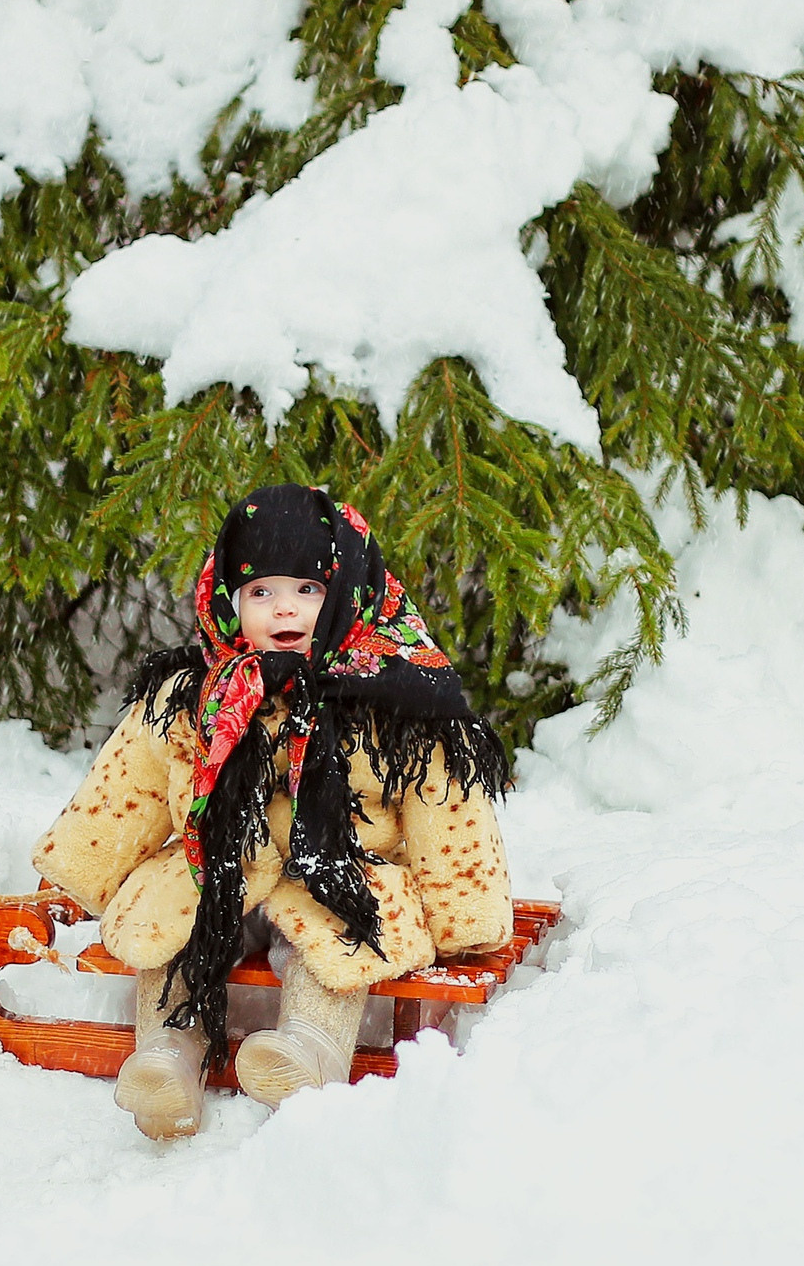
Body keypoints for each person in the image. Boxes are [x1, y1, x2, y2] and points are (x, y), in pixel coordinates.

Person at [33, 485, 512, 1140]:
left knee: (338, 940)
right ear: (230, 599)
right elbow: (129, 782)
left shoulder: (396, 699)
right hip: (224, 859)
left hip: (345, 870)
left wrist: (466, 916)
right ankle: (169, 1055)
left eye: (309, 589)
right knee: (177, 923)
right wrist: (82, 861)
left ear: (346, 590)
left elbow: (447, 804)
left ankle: (308, 1049)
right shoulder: (195, 693)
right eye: (262, 591)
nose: (284, 606)